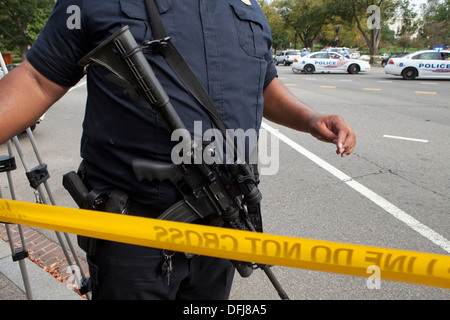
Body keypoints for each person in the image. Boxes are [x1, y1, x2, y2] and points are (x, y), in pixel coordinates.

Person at [0, 0, 355, 300]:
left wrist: (310, 119)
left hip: (221, 226)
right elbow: (37, 79)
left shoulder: (246, 6)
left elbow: (264, 85)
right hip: (131, 237)